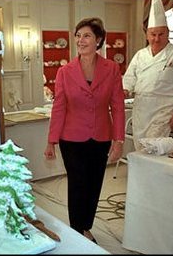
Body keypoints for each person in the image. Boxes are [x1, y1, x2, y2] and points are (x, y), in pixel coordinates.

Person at [44, 17, 125, 243]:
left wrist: (119, 141)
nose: (80, 40)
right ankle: (77, 230)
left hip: (101, 137)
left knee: (94, 183)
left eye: (86, 35)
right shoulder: (65, 72)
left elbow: (117, 106)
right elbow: (58, 106)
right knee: (78, 184)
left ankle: (85, 225)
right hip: (72, 139)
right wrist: (51, 141)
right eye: (78, 36)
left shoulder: (111, 69)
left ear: (98, 40)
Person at [123, 0, 173, 150]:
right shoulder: (140, 55)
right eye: (153, 34)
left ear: (168, 33)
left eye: (161, 34)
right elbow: (129, 78)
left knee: (155, 148)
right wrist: (125, 90)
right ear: (147, 34)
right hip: (141, 109)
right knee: (140, 147)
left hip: (164, 109)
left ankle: (152, 174)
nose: (156, 39)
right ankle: (141, 174)